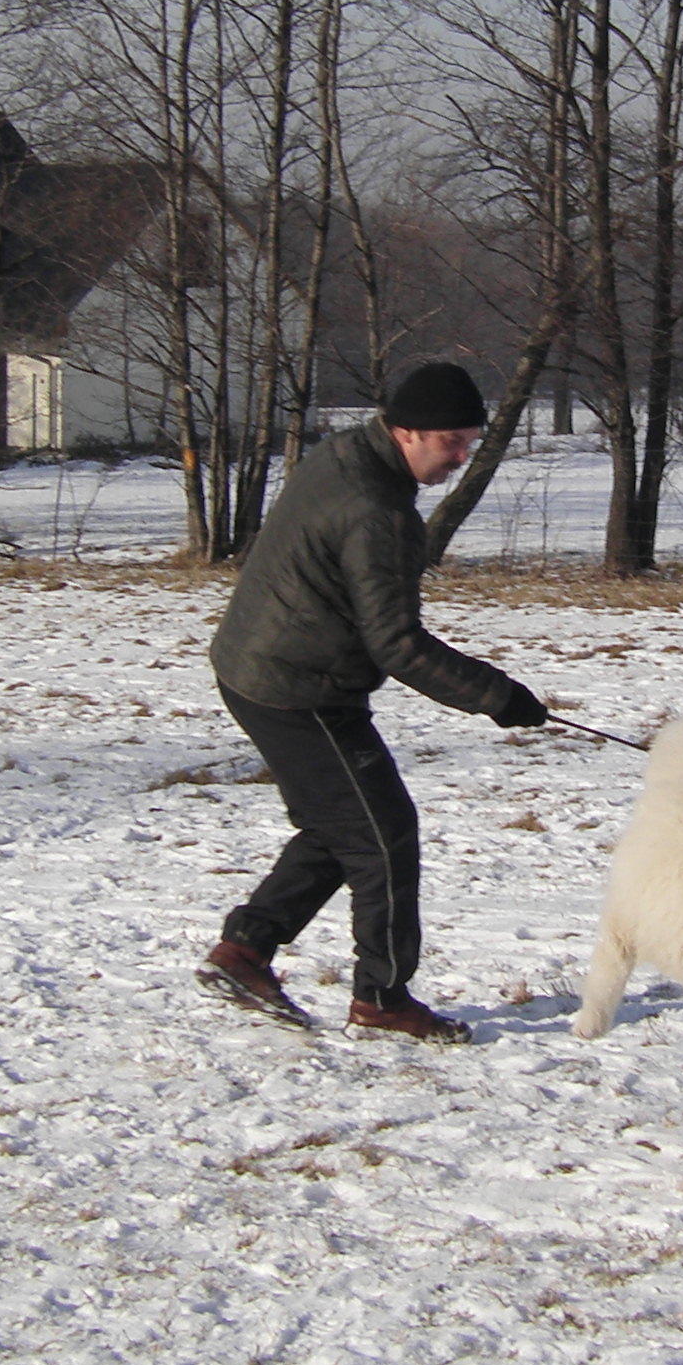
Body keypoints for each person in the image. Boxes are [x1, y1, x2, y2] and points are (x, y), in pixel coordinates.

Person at [197, 362, 551, 1043]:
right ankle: (382, 1000)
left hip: (261, 666)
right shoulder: (378, 511)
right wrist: (497, 697)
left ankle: (245, 951)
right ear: (406, 430)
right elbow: (398, 645)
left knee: (345, 826)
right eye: (450, 441)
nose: (461, 455)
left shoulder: (345, 455)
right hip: (299, 688)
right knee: (383, 838)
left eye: (469, 441)